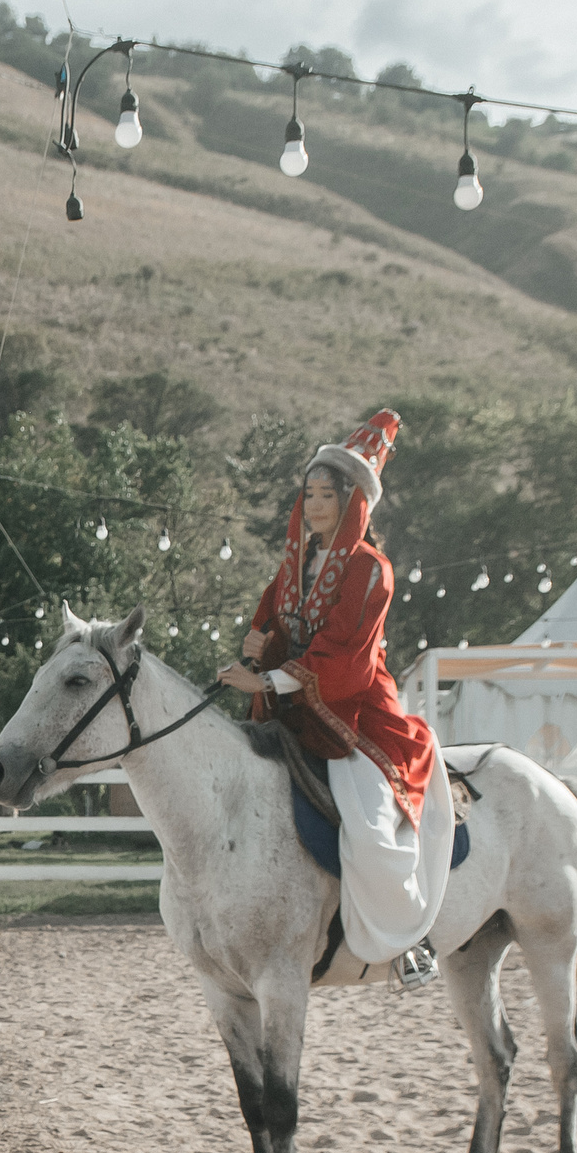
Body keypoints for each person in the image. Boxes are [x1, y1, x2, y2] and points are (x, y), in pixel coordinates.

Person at [215, 408, 446, 985]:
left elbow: (346, 656)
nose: (314, 505)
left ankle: (408, 941)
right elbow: (269, 623)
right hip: (289, 709)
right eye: (309, 494)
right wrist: (255, 647)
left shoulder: (372, 570)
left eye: (326, 495)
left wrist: (268, 679)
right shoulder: (291, 566)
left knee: (370, 828)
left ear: (352, 504)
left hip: (354, 712)